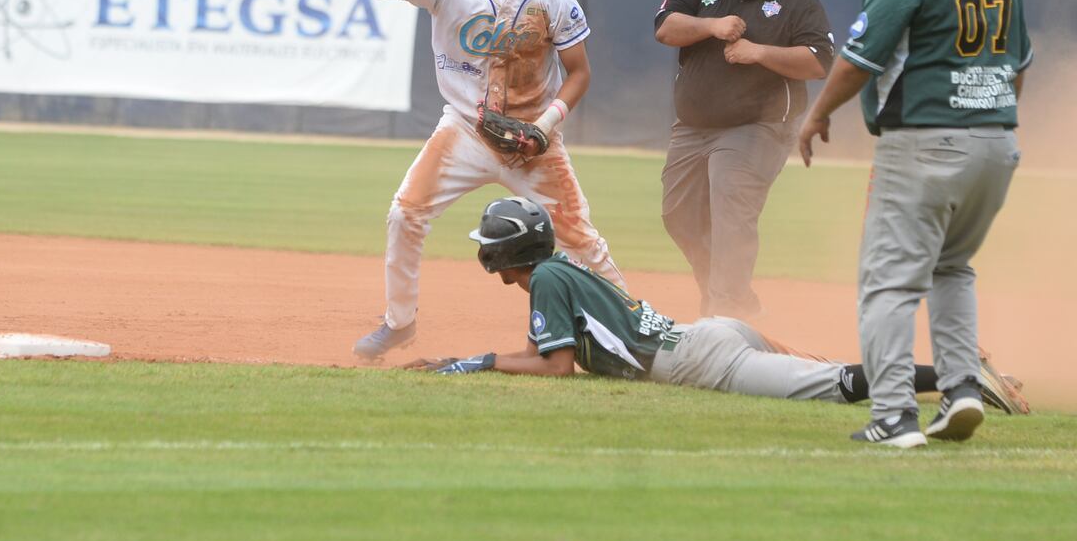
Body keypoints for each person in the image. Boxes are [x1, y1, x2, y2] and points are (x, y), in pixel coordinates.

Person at [294, 0, 624, 361]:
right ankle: (399, 324)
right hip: (466, 130)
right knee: (405, 213)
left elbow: (580, 72)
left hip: (533, 139)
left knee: (581, 240)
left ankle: (630, 321)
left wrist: (548, 125)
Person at [798, 0, 1032, 448]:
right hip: (997, 144)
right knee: (953, 267)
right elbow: (1019, 66)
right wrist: (990, 120)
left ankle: (895, 415)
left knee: (888, 281)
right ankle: (959, 391)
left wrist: (817, 114)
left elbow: (857, 62)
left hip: (926, 142)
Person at [404, 197, 1029, 420]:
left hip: (699, 360)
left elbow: (557, 367)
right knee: (822, 368)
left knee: (835, 385)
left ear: (507, 252)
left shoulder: (545, 281)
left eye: (491, 246)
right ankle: (962, 368)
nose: (487, 256)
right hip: (706, 334)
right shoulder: (562, 266)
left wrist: (475, 362)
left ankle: (962, 377)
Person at [654, 0, 834, 319]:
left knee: (730, 208)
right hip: (693, 126)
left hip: (758, 125)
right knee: (677, 215)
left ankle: (727, 312)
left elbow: (820, 61)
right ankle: (729, 296)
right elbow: (665, 27)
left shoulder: (797, 1)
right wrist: (711, 26)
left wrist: (759, 53)